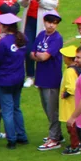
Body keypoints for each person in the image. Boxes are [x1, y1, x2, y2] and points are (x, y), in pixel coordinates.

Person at [28, 11, 65, 151]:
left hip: (52, 78)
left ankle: (54, 138)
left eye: (54, 23)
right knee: (46, 108)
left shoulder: (57, 38)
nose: (51, 25)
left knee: (52, 110)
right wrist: (40, 55)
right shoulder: (40, 35)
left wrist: (39, 56)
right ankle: (57, 134)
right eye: (49, 22)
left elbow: (44, 57)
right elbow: (32, 54)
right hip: (41, 77)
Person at [18, 0, 58, 86]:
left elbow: (54, 3)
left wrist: (41, 0)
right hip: (29, 19)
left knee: (42, 48)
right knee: (28, 47)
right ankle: (30, 75)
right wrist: (25, 0)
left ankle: (40, 77)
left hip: (42, 21)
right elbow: (21, 1)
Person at [0, 13, 27, 148]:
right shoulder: (22, 38)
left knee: (7, 110)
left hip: (5, 79)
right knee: (16, 108)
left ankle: (11, 139)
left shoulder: (4, 42)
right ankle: (22, 136)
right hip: (18, 78)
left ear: (6, 26)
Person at [57, 45, 81, 155]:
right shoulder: (77, 69)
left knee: (71, 126)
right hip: (75, 103)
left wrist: (65, 94)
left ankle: (75, 146)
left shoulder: (70, 71)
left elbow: (72, 88)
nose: (63, 58)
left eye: (64, 56)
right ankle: (77, 143)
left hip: (70, 104)